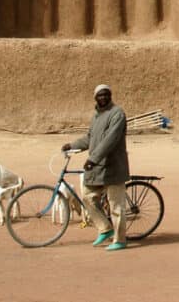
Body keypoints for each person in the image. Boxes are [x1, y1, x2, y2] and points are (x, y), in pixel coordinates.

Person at [61, 84, 130, 251]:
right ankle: (105, 228)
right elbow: (90, 138)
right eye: (100, 95)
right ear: (95, 98)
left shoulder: (117, 114)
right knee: (87, 196)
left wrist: (93, 158)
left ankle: (120, 240)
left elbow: (110, 140)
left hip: (114, 166)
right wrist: (72, 145)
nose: (103, 98)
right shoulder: (96, 116)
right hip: (98, 167)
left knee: (116, 205)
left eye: (106, 95)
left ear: (110, 96)